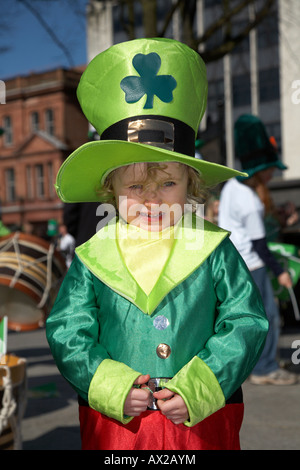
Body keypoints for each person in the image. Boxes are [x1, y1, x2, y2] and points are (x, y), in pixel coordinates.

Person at [46, 38, 268, 451]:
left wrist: (199, 387)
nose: (152, 198)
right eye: (135, 186)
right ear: (110, 189)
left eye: (168, 182)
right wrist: (109, 385)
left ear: (191, 183)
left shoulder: (213, 248)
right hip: (118, 430)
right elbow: (68, 330)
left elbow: (245, 322)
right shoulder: (93, 257)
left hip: (201, 425)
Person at [218, 114, 298, 386]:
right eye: (270, 168)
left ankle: (256, 364)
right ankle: (265, 368)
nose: (273, 173)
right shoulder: (251, 202)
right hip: (253, 264)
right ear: (261, 170)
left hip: (235, 261)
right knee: (268, 317)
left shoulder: (230, 186)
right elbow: (259, 245)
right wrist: (280, 273)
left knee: (246, 317)